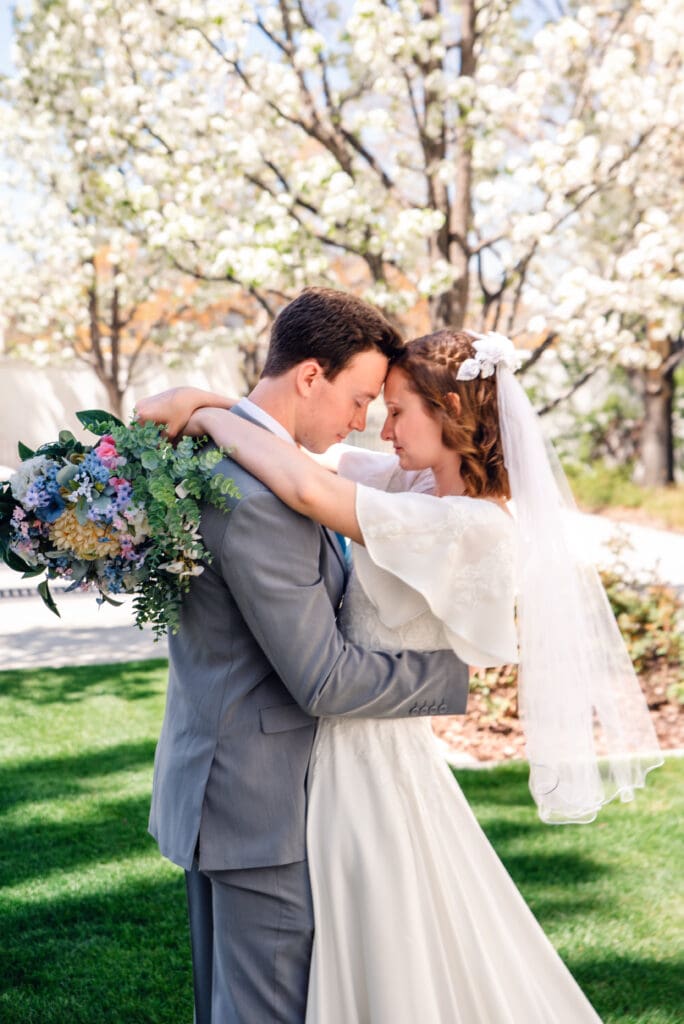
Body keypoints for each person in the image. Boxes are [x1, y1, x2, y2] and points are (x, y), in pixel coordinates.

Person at [146, 326, 662, 1022]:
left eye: (396, 409)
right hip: (327, 763)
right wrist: (213, 401)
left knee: (392, 950)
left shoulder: (470, 525)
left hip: (372, 759)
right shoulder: (409, 482)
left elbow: (302, 486)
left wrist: (201, 409)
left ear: (451, 409)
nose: (380, 426)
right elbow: (298, 450)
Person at [140, 289, 471, 1024]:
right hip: (263, 809)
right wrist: (451, 677)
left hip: (213, 784)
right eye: (358, 398)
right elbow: (324, 678)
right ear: (311, 376)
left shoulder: (214, 455)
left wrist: (204, 401)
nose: (364, 420)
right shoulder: (264, 498)